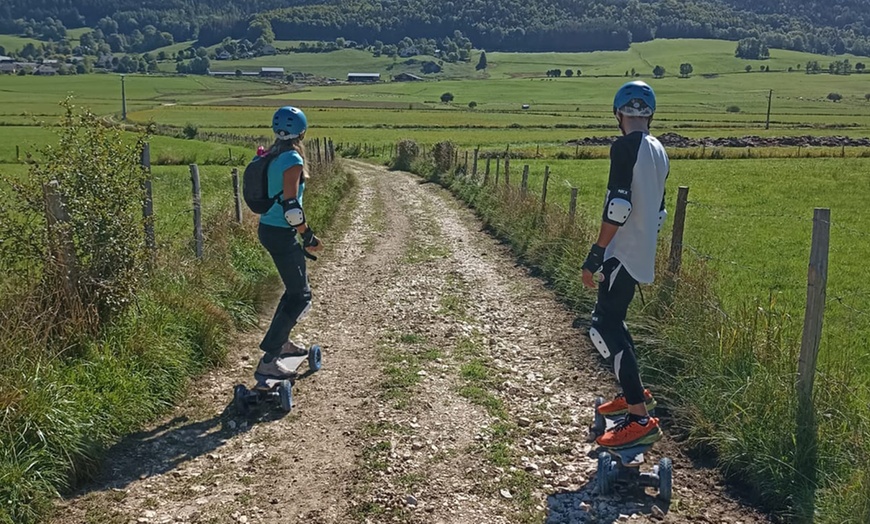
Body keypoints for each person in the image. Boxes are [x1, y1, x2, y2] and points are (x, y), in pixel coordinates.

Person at [581, 81, 669, 449]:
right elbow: (660, 212)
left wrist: (597, 252)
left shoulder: (623, 147)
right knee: (615, 322)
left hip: (620, 251)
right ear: (650, 113)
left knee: (602, 326)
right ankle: (636, 393)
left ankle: (637, 417)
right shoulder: (659, 149)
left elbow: (618, 206)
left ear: (618, 114)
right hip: (641, 250)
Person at [254, 105, 323, 382]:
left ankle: (281, 343)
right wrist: (308, 235)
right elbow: (291, 206)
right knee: (300, 295)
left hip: (270, 229)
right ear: (303, 131)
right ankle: (269, 359)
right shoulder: (292, 159)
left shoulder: (273, 154)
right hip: (281, 232)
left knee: (294, 290)